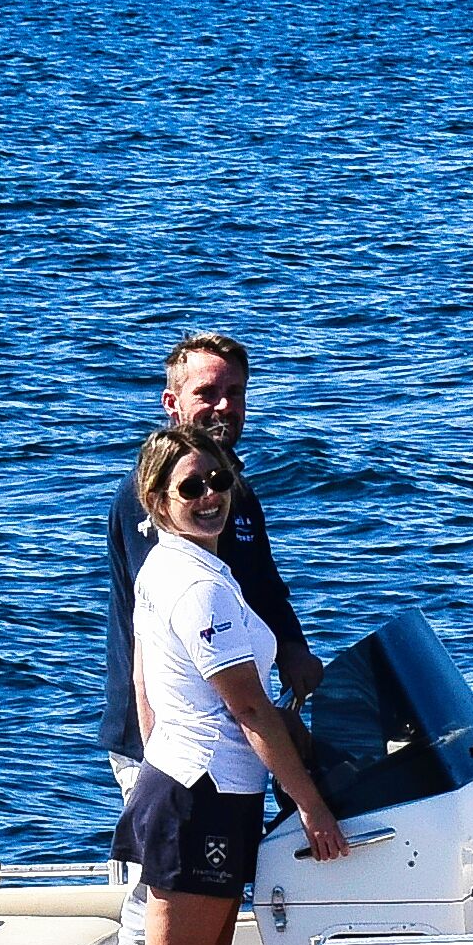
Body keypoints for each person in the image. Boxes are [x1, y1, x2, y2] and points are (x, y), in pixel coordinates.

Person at [117, 424, 350, 945]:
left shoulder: (179, 568)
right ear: (157, 500)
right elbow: (246, 705)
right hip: (201, 795)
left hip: (202, 788)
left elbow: (145, 679)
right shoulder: (199, 586)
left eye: (219, 481)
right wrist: (312, 807)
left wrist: (161, 759)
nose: (209, 497)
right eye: (190, 486)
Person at [104, 332, 318, 791]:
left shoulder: (234, 490)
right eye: (206, 393)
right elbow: (154, 634)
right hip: (172, 745)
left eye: (234, 393)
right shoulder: (152, 497)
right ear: (172, 402)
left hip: (238, 731)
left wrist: (293, 648)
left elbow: (262, 584)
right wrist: (158, 763)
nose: (223, 406)